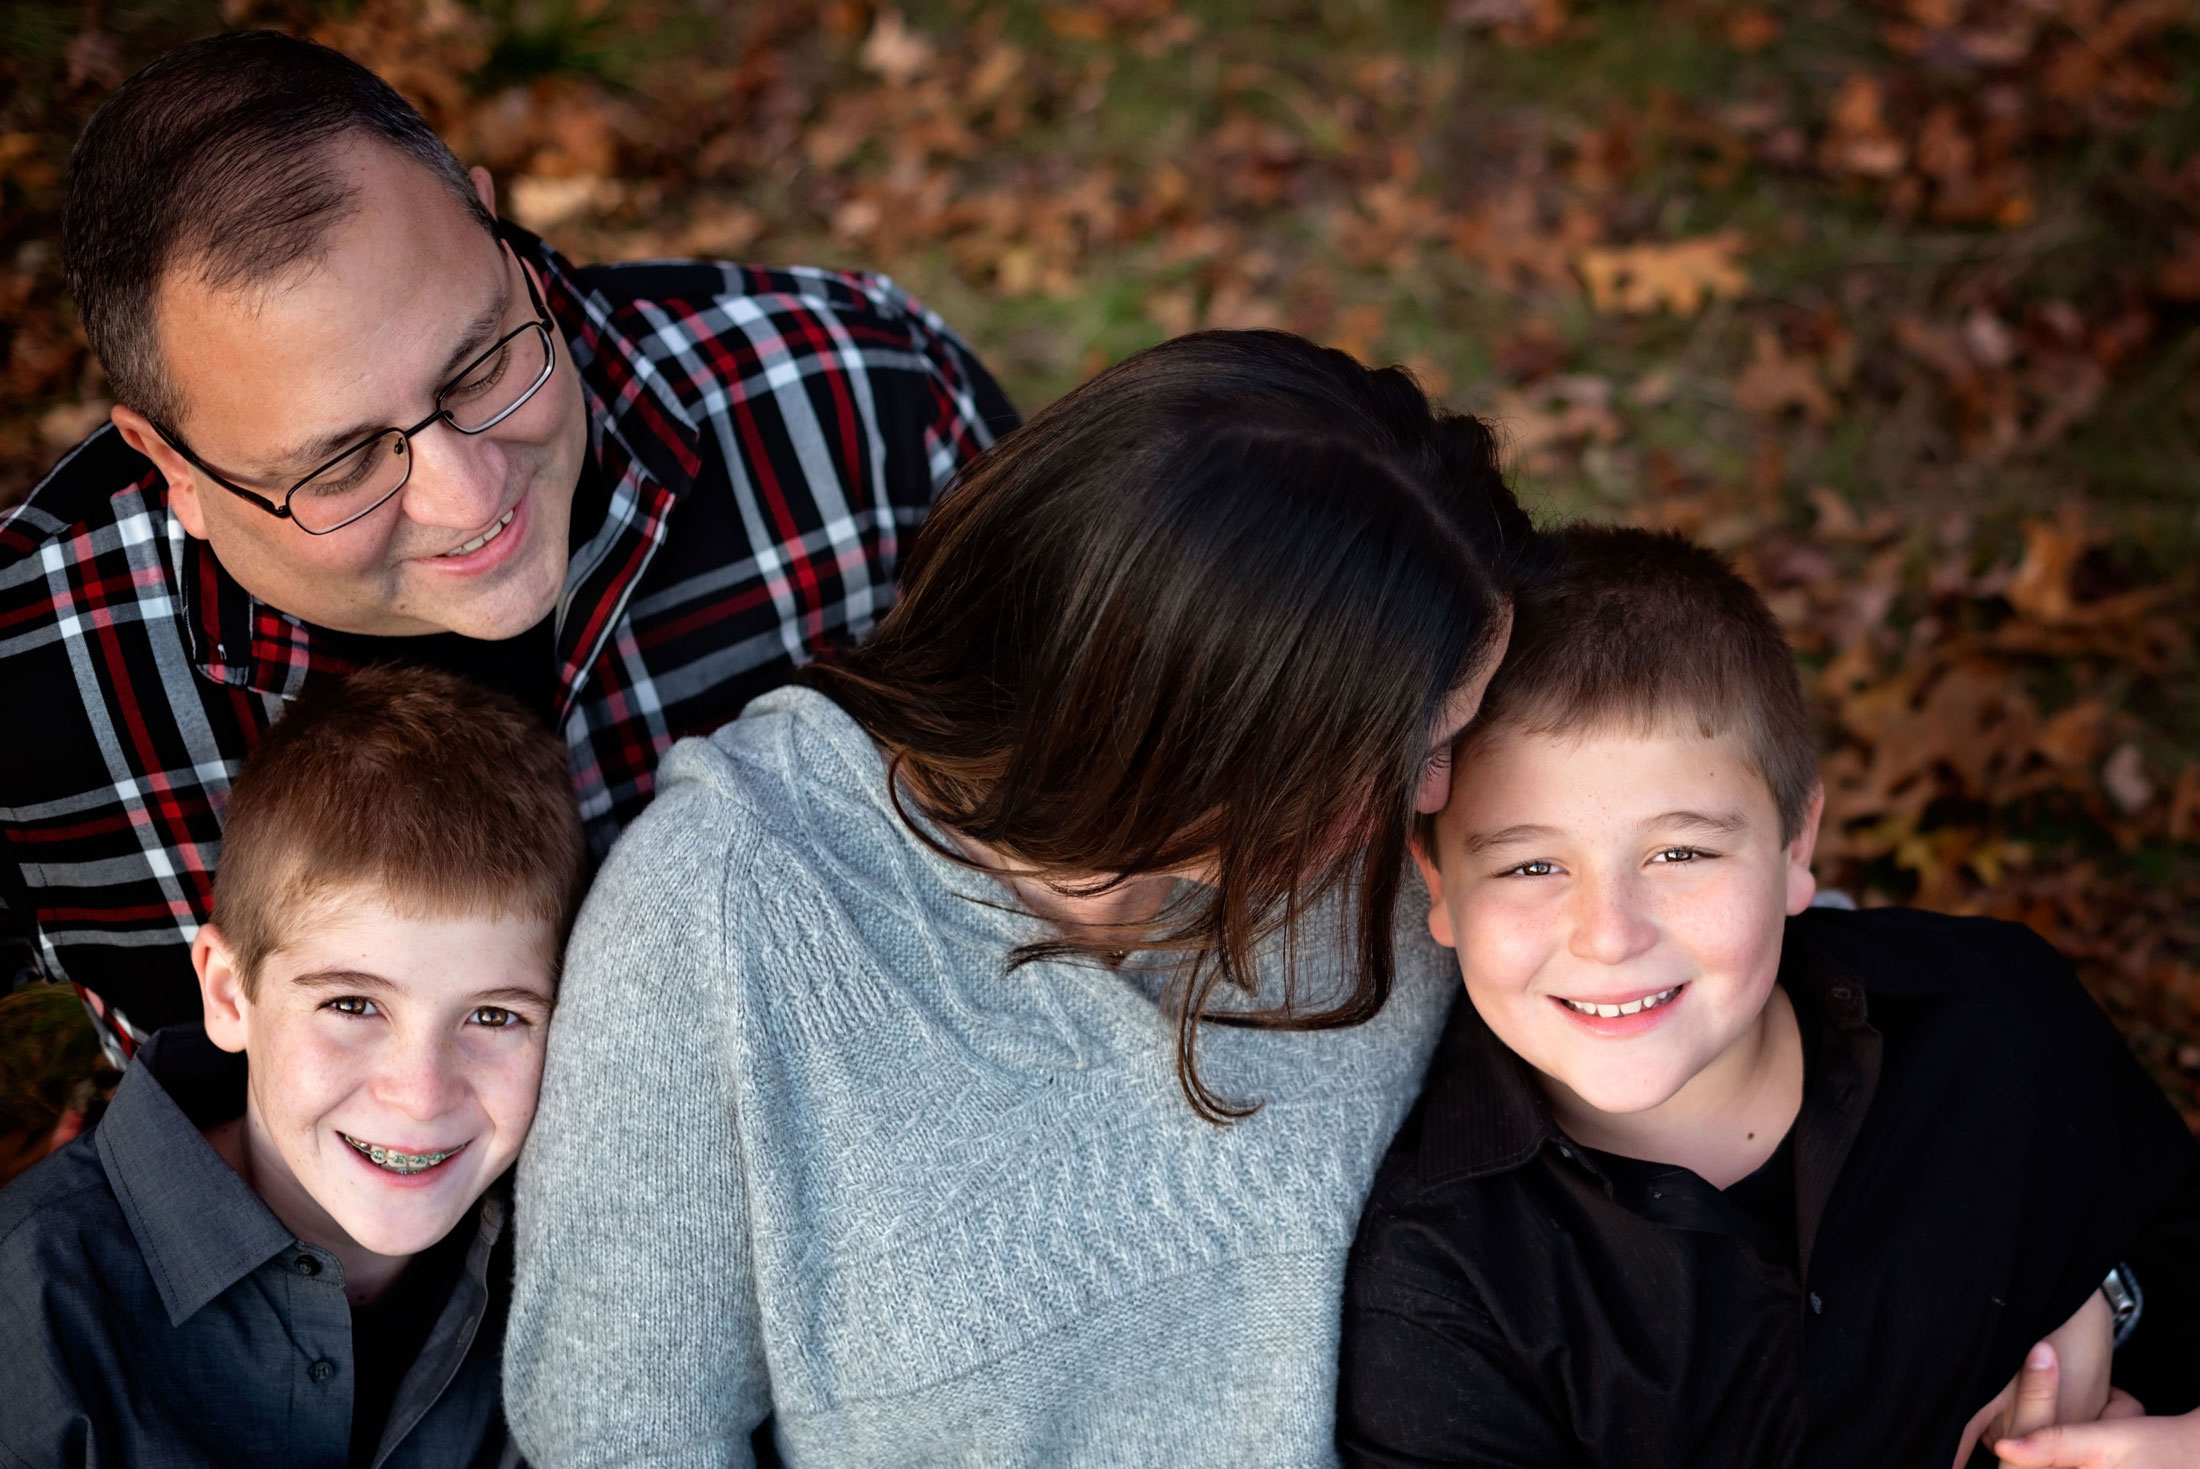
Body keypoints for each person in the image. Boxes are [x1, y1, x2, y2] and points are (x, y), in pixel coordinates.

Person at [503, 330, 1536, 1466]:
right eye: (1409, 751)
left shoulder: (1403, 846)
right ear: (1187, 737)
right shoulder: (726, 908)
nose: (1445, 796)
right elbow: (622, 1430)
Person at [0, 30, 1015, 1061]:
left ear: (488, 220)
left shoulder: (866, 397)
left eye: (482, 363)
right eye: (344, 462)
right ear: (168, 462)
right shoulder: (28, 684)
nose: (468, 494)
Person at [1337, 525, 2200, 1467]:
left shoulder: (1994, 1018)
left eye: (1681, 853)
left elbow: (2175, 1245)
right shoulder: (1443, 1290)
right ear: (1440, 887)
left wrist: (2108, 1298)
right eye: (1532, 864)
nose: (1610, 933)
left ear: (1796, 845)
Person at [0, 666, 585, 1468]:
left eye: (493, 1016)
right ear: (230, 995)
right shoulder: (30, 1313)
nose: (419, 1096)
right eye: (352, 1005)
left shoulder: (573, 1268)